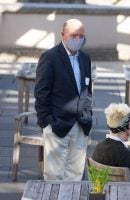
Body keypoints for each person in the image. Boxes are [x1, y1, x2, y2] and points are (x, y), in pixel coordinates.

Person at [34, 18, 93, 181]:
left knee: (75, 175)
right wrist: (46, 122)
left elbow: (87, 91)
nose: (78, 39)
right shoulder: (50, 57)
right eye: (74, 35)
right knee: (54, 176)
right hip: (57, 125)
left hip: (81, 126)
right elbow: (41, 93)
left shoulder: (85, 58)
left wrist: (88, 115)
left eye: (81, 36)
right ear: (63, 34)